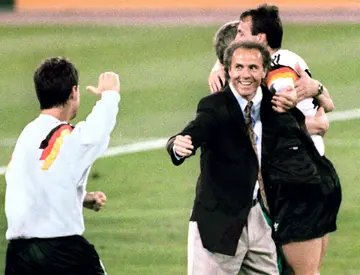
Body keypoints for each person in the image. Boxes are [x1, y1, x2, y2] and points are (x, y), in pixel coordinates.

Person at [208, 5, 341, 275]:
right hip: (305, 176)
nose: (237, 37)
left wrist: (306, 119)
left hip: (297, 180)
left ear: (260, 39)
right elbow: (324, 103)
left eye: (242, 32)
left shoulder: (278, 74)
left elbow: (277, 114)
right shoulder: (282, 60)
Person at [166, 41, 299, 275]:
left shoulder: (274, 105)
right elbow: (194, 131)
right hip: (218, 221)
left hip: (259, 217)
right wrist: (177, 145)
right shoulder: (214, 106)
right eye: (238, 67)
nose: (244, 75)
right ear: (228, 70)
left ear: (265, 71)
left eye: (252, 68)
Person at [4, 57, 121, 275]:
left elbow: (33, 180)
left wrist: (81, 196)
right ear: (74, 92)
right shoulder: (66, 136)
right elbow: (95, 133)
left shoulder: (27, 135)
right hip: (61, 252)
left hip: (19, 255)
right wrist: (110, 95)